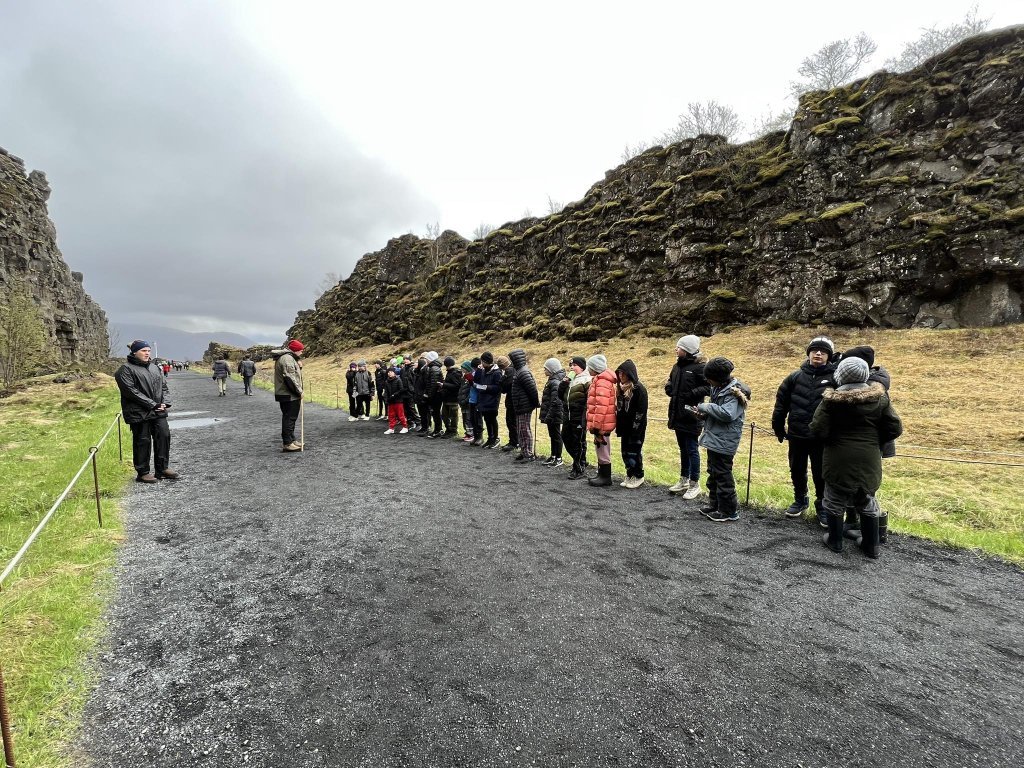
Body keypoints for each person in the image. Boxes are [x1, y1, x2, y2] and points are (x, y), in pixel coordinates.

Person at [811, 357, 903, 558]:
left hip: (838, 458)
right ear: (865, 375)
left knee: (834, 499)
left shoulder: (831, 401)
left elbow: (818, 429)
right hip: (869, 457)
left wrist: (831, 439)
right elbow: (895, 428)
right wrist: (874, 441)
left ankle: (835, 541)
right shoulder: (880, 399)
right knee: (867, 499)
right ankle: (871, 546)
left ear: (840, 376)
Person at [772, 336, 837, 526]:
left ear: (829, 356)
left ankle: (822, 505)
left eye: (823, 352)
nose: (818, 354)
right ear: (808, 353)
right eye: (815, 350)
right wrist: (778, 426)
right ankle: (800, 499)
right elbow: (781, 403)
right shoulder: (794, 377)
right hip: (797, 434)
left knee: (821, 473)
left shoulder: (835, 378)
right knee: (797, 469)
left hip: (821, 437)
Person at [840, 345, 896, 542]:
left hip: (864, 447)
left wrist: (874, 440)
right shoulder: (876, 386)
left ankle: (869, 531)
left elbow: (891, 425)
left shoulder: (869, 389)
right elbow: (894, 425)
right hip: (869, 447)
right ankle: (864, 529)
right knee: (863, 486)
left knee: (862, 488)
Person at [696, 357, 751, 522]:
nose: (707, 381)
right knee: (713, 472)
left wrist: (705, 406)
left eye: (709, 378)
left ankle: (729, 511)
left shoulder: (735, 392)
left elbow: (728, 414)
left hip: (725, 441)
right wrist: (704, 415)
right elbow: (718, 412)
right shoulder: (718, 388)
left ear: (718, 378)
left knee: (722, 475)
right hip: (715, 437)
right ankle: (715, 505)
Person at [115, 340, 178, 483]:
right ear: (134, 352)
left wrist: (164, 403)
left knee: (163, 436)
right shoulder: (125, 370)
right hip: (138, 412)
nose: (147, 353)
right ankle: (142, 472)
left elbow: (164, 387)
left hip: (157, 411)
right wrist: (152, 405)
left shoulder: (155, 368)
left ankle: (162, 469)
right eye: (143, 350)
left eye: (148, 350)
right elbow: (131, 392)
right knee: (142, 441)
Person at [665, 335, 709, 499]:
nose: (676, 349)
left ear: (688, 350)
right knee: (683, 448)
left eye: (679, 347)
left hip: (692, 415)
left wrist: (691, 394)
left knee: (692, 449)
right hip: (677, 414)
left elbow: (708, 387)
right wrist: (669, 388)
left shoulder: (700, 367)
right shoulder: (677, 366)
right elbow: (670, 381)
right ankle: (684, 479)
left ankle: (694, 483)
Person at [615, 360, 648, 488]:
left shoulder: (639, 389)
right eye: (619, 373)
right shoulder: (620, 389)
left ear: (630, 374)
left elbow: (641, 411)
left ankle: (638, 475)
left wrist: (636, 429)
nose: (620, 376)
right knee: (625, 452)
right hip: (624, 427)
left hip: (636, 428)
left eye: (623, 373)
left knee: (634, 452)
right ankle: (629, 473)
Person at [586, 354, 617, 487]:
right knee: (601, 448)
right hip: (602, 423)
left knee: (603, 448)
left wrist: (596, 426)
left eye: (590, 367)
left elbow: (601, 407)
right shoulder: (599, 380)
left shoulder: (602, 382)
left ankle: (605, 477)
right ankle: (602, 474)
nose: (588, 369)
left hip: (602, 424)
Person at [561, 356, 591, 479]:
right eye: (571, 365)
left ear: (582, 367)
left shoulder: (587, 379)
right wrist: (563, 384)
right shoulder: (570, 379)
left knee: (578, 441)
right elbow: (560, 396)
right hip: (568, 415)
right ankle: (580, 461)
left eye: (575, 365)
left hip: (579, 416)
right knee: (565, 437)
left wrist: (584, 417)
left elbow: (589, 400)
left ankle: (578, 468)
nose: (572, 368)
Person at [273, 340, 304, 452]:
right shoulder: (287, 359)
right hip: (288, 394)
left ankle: (292, 439)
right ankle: (287, 443)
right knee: (289, 418)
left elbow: (293, 374)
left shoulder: (290, 358)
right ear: (295, 350)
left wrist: (299, 367)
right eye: (301, 350)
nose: (301, 352)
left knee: (291, 418)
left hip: (287, 393)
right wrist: (299, 392)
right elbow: (290, 378)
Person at [508, 349, 540, 459]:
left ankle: (528, 453)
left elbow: (532, 389)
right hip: (520, 405)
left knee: (524, 429)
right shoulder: (520, 371)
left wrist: (536, 403)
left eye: (512, 360)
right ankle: (524, 450)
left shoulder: (523, 372)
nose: (511, 362)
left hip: (524, 406)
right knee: (521, 429)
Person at [539, 358, 567, 467]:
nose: (544, 370)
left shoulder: (555, 382)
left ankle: (558, 457)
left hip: (555, 414)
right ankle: (553, 455)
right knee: (552, 435)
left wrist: (549, 415)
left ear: (552, 369)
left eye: (546, 368)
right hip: (551, 414)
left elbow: (555, 401)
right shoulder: (552, 379)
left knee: (556, 435)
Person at [474, 351, 504, 448]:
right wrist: (478, 370)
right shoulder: (483, 370)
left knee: (492, 420)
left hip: (492, 400)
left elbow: (498, 388)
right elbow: (476, 380)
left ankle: (495, 438)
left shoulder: (497, 372)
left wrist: (487, 387)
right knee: (487, 419)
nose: (481, 363)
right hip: (483, 399)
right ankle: (489, 438)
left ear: (486, 361)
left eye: (482, 361)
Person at [497, 355, 519, 453]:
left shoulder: (509, 371)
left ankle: (514, 442)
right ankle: (515, 442)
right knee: (513, 422)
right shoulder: (514, 369)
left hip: (512, 401)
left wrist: (501, 380)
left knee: (511, 422)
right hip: (514, 400)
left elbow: (505, 388)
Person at [440, 356, 464, 437]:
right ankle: (448, 430)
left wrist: (444, 385)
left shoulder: (455, 373)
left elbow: (457, 386)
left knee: (453, 416)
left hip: (453, 399)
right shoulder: (450, 372)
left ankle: (453, 431)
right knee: (444, 415)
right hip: (446, 398)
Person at [423, 351, 445, 437]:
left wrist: (429, 396)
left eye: (427, 359)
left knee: (436, 413)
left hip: (436, 395)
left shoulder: (434, 368)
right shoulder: (433, 368)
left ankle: (438, 430)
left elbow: (433, 384)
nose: (426, 361)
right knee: (435, 413)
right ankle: (437, 429)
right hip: (435, 394)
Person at [383, 366, 409, 434]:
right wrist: (386, 399)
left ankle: (405, 427)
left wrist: (394, 395)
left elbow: (401, 390)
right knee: (391, 415)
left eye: (391, 372)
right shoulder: (387, 381)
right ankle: (391, 428)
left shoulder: (398, 380)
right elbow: (386, 391)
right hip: (390, 401)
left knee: (401, 415)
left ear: (394, 373)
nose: (390, 373)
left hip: (398, 401)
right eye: (388, 372)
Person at [457, 360, 474, 440]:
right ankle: (467, 433)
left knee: (468, 418)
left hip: (467, 402)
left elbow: (471, 391)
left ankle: (471, 434)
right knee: (464, 418)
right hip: (462, 401)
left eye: (463, 368)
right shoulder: (463, 377)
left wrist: (466, 400)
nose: (462, 369)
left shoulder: (470, 377)